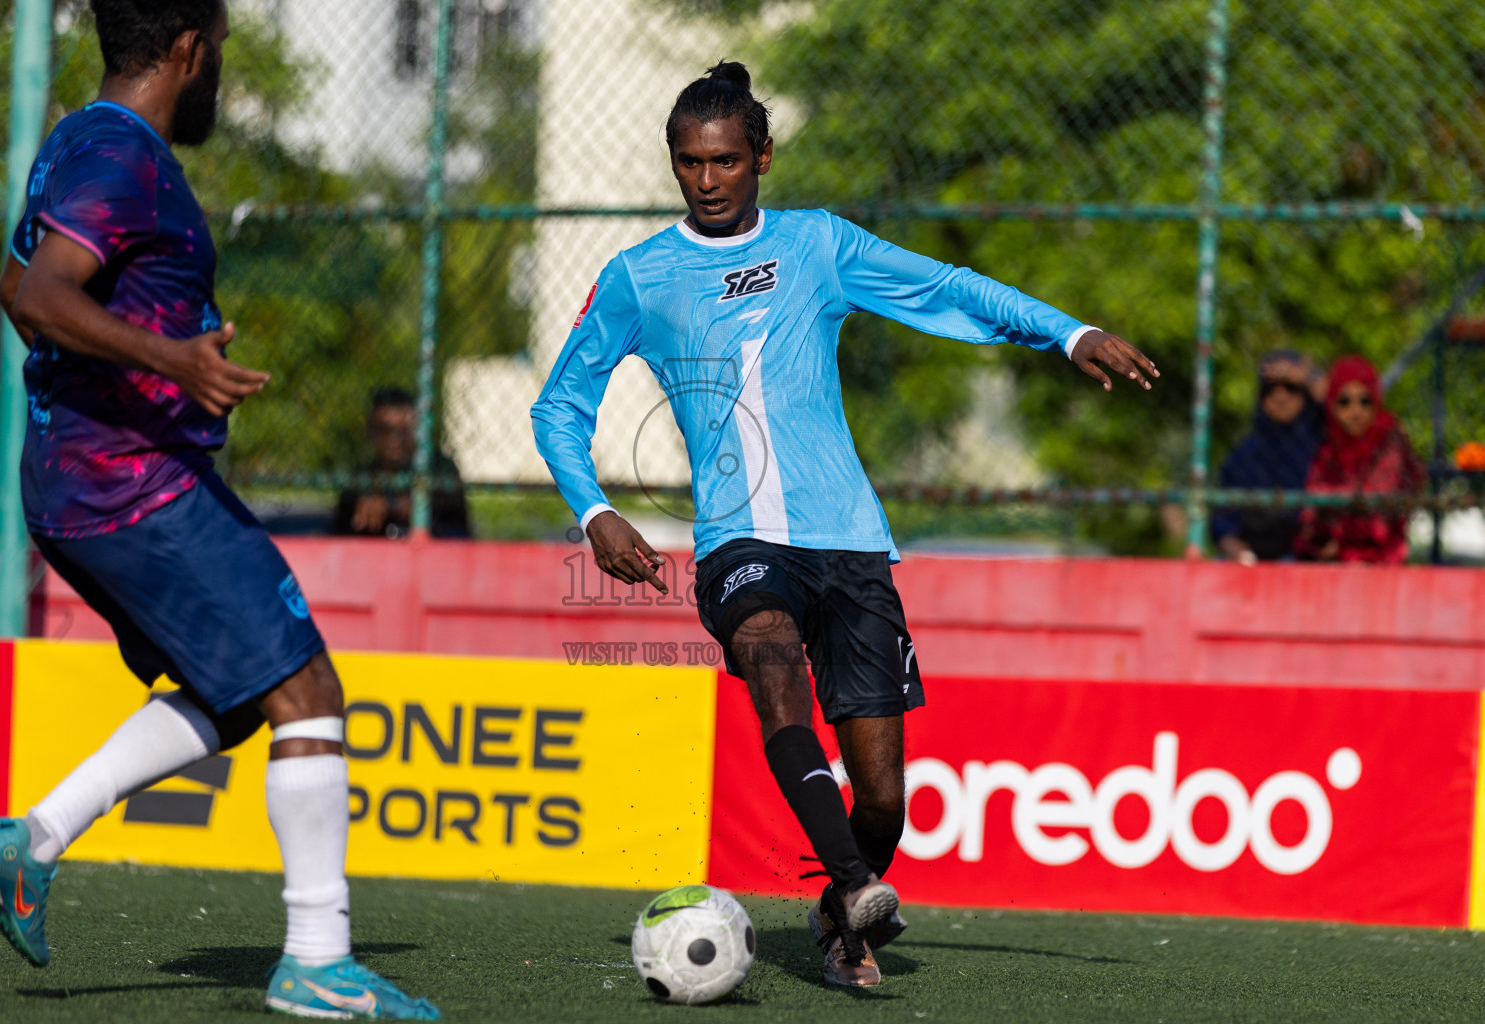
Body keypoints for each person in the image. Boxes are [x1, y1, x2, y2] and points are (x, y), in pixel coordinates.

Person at [531, 61, 1158, 988]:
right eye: (689, 163)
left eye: (726, 161)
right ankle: (859, 886)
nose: (706, 181)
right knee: (771, 659)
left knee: (884, 796)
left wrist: (1065, 332)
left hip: (851, 542)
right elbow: (559, 405)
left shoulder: (818, 245)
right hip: (739, 542)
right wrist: (594, 510)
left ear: (763, 159)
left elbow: (944, 288)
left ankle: (838, 908)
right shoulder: (638, 277)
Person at [0, 2, 438, 1018]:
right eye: (217, 47)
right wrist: (172, 357)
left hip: (96, 477)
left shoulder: (85, 142)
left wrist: (171, 336)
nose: (216, 64)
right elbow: (36, 295)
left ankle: (32, 841)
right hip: (130, 482)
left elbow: (19, 278)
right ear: (188, 49)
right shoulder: (120, 153)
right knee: (307, 689)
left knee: (237, 694)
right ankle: (316, 957)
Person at [1295, 355, 1425, 564]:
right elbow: (1312, 511)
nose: (1355, 411)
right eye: (1344, 402)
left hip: (1382, 556)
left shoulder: (1388, 442)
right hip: (1333, 556)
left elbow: (1382, 510)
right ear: (1332, 404)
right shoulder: (1328, 449)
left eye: (1365, 401)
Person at [1212, 351, 1324, 564]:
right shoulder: (1244, 454)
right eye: (1270, 389)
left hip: (1307, 555)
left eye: (1291, 388)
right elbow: (1223, 522)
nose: (1280, 397)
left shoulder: (1324, 443)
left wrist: (1308, 376)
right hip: (1251, 556)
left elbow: (1347, 404)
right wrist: (1238, 551)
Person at [334, 388, 472, 539]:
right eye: (385, 429)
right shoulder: (359, 477)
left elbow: (455, 524)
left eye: (404, 430)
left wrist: (391, 506)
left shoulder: (440, 469)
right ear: (371, 431)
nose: (396, 439)